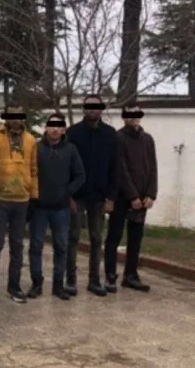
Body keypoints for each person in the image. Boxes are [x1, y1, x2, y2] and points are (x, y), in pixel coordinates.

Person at [0, 104, 38, 303]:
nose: (16, 119)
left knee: (18, 246)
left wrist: (34, 197)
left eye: (19, 116)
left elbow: (34, 171)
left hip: (22, 201)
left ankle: (14, 287)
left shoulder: (30, 140)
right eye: (12, 115)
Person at [27, 113, 85, 301]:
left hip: (61, 209)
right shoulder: (36, 149)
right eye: (51, 125)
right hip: (39, 208)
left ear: (63, 130)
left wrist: (67, 192)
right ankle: (36, 283)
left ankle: (58, 285)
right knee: (36, 246)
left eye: (59, 126)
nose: (55, 129)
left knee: (61, 246)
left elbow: (80, 176)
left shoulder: (71, 150)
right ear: (46, 128)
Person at [65, 94, 118, 297]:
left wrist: (111, 198)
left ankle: (94, 281)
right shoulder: (73, 133)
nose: (93, 109)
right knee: (73, 237)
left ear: (101, 109)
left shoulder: (110, 134)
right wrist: (68, 194)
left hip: (99, 197)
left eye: (96, 106)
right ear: (84, 109)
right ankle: (70, 280)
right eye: (89, 106)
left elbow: (115, 168)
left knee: (96, 238)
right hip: (77, 195)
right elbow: (67, 167)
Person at [104, 103, 158, 293]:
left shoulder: (148, 139)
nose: (134, 117)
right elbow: (121, 169)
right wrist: (132, 195)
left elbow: (153, 167)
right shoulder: (118, 138)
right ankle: (110, 275)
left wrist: (151, 194)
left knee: (135, 238)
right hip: (121, 196)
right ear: (124, 117)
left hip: (142, 198)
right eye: (129, 114)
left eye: (137, 114)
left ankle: (131, 275)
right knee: (114, 237)